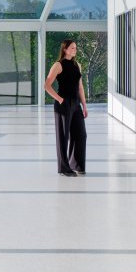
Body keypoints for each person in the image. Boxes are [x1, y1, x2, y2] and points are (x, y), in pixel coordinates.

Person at [44, 39, 87, 175]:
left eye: (75, 48)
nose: (75, 50)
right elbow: (47, 85)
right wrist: (60, 99)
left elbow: (80, 87)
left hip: (76, 104)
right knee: (63, 136)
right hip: (63, 103)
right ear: (65, 49)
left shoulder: (77, 65)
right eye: (72, 48)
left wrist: (84, 106)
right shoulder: (58, 65)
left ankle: (76, 164)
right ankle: (64, 168)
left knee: (81, 135)